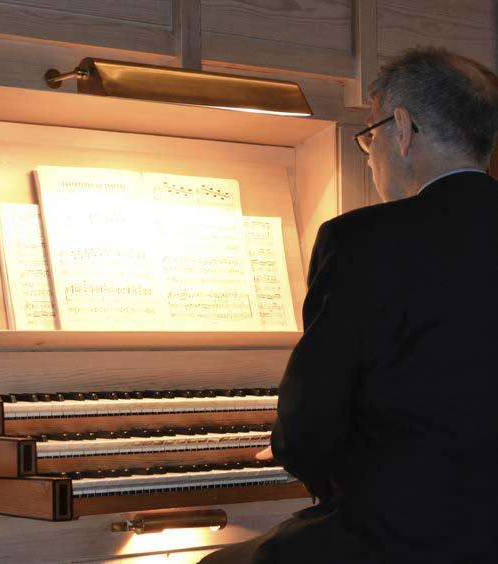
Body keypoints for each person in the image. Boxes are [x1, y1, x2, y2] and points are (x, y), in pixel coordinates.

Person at [201, 47, 498, 563]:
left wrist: (308, 456)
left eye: (370, 134)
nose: (370, 151)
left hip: (396, 538)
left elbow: (305, 434)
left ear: (402, 129)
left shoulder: (360, 241)